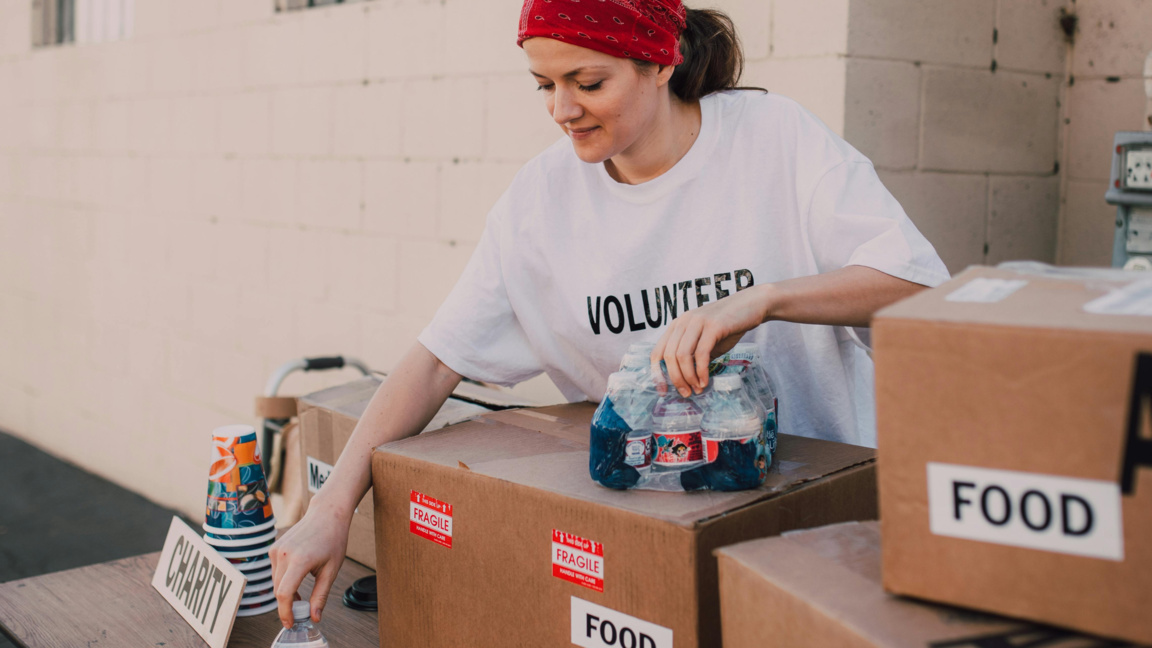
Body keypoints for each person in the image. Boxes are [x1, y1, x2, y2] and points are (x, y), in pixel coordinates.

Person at [269, 0, 949, 628]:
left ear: (660, 61)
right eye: (544, 84)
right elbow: (435, 360)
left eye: (588, 82)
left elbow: (915, 285)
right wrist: (332, 507)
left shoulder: (774, 139)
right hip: (651, 549)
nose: (563, 109)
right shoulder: (541, 202)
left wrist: (761, 300)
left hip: (820, 535)